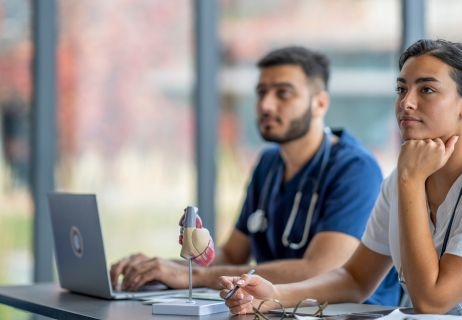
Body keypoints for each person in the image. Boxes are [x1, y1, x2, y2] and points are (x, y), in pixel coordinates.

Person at [218, 39, 462, 319]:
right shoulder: (402, 177)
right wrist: (275, 295)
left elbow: (432, 300)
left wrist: (409, 181)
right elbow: (356, 279)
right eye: (402, 89)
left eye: (427, 90)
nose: (406, 103)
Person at [110, 46, 402, 306]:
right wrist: (162, 269)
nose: (265, 105)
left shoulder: (354, 168)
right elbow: (232, 255)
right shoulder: (268, 163)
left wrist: (195, 277)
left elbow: (320, 269)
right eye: (261, 92)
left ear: (320, 103)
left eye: (283, 93)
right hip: (271, 308)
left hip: (348, 313)